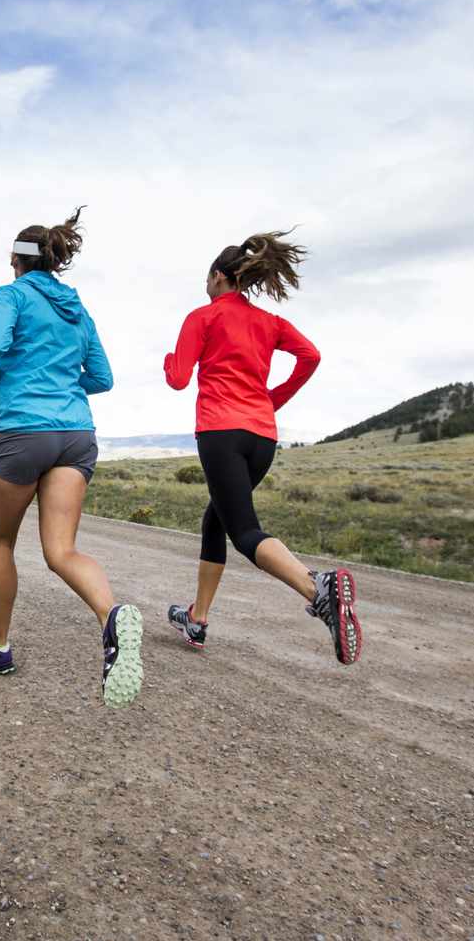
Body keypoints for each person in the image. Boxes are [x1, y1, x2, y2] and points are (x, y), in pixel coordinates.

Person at [0, 207, 143, 708]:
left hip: (24, 431)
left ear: (15, 261)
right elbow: (101, 378)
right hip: (77, 434)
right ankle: (111, 616)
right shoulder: (77, 311)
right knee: (61, 551)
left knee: (0, 540)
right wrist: (62, 382)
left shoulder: (11, 295)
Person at [162, 231, 362, 665]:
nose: (206, 287)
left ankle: (317, 589)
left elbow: (178, 378)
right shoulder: (269, 322)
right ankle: (197, 618)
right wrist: (273, 398)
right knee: (215, 520)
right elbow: (310, 356)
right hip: (262, 437)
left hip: (221, 432)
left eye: (207, 279)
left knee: (245, 531)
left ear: (218, 277)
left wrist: (166, 361)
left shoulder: (204, 316)